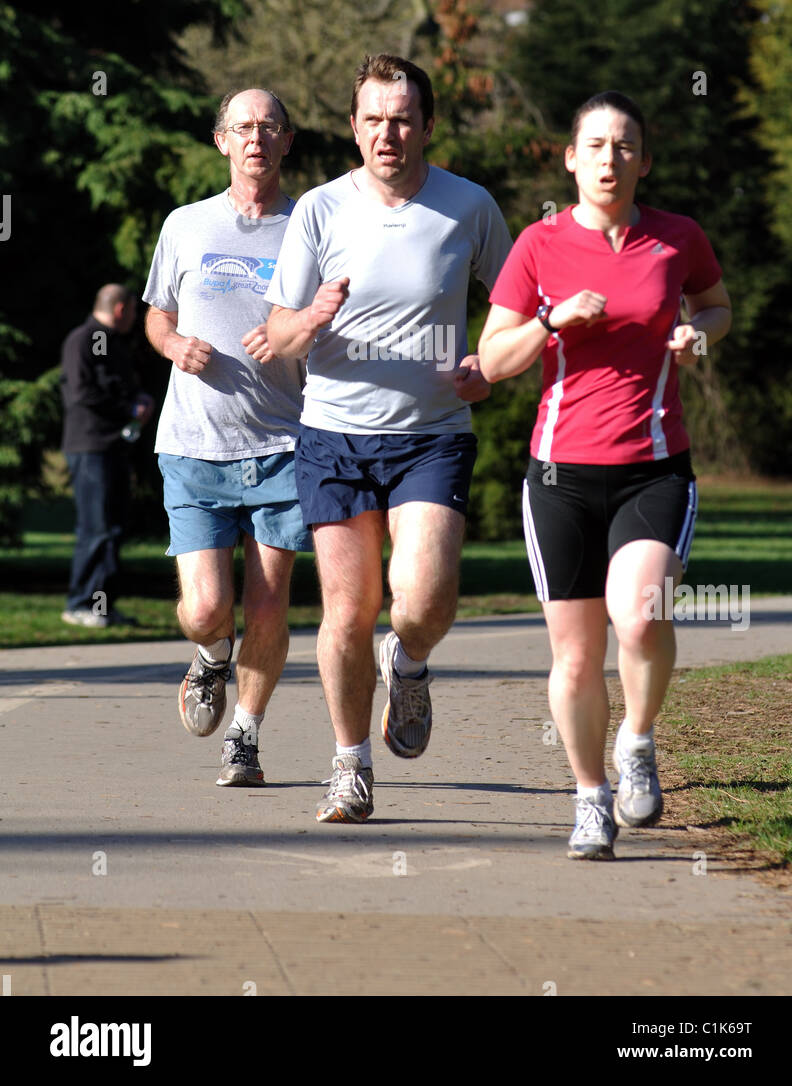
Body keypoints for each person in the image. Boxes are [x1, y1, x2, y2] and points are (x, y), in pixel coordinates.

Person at [478, 91, 731, 859]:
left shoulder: (676, 239)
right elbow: (491, 361)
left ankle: (640, 739)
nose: (609, 159)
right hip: (560, 476)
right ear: (571, 158)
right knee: (578, 655)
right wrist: (551, 321)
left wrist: (698, 332)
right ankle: (591, 798)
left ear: (644, 161)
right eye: (595, 145)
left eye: (625, 146)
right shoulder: (539, 245)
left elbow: (717, 306)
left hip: (654, 467)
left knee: (643, 615)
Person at [264, 53, 512, 822]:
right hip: (335, 435)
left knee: (425, 599)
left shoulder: (468, 207)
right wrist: (309, 320)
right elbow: (277, 328)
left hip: (432, 436)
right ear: (353, 126)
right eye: (373, 118)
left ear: (428, 125)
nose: (388, 133)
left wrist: (489, 366)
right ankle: (350, 766)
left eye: (402, 118)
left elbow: (512, 308)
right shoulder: (318, 210)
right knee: (346, 609)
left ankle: (408, 662)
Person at [143, 88, 310, 787]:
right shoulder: (185, 224)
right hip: (193, 443)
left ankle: (245, 734)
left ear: (286, 141)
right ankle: (211, 656)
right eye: (243, 127)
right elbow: (156, 316)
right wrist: (176, 344)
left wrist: (294, 334)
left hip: (284, 447)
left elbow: (339, 321)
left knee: (269, 604)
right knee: (209, 605)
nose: (256, 138)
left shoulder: (311, 225)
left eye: (269, 126)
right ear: (221, 141)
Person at [60, 284, 154, 627]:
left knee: (113, 528)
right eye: (132, 311)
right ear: (120, 309)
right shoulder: (84, 339)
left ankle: (102, 606)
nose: (134, 318)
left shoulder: (111, 343)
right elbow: (82, 393)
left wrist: (138, 400)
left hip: (112, 447)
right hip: (90, 447)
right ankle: (80, 603)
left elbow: (115, 386)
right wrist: (128, 406)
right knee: (96, 528)